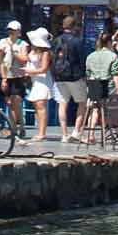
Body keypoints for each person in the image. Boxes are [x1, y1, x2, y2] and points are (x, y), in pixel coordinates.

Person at [50, 16, 89, 146]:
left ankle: (64, 134)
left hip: (60, 77)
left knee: (62, 103)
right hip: (75, 77)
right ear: (74, 26)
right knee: (82, 103)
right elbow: (82, 60)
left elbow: (53, 59)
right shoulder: (78, 41)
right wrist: (84, 75)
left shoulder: (56, 41)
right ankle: (76, 132)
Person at [24, 26, 56, 149]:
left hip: (43, 80)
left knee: (41, 105)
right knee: (36, 105)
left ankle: (42, 133)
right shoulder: (33, 50)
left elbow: (44, 69)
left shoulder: (45, 52)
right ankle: (39, 131)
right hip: (35, 80)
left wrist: (30, 71)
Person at [83, 29, 118, 134]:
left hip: (94, 87)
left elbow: (88, 74)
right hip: (108, 88)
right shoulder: (112, 56)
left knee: (94, 110)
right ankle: (115, 133)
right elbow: (115, 74)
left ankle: (91, 134)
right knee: (112, 110)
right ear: (109, 43)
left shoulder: (90, 56)